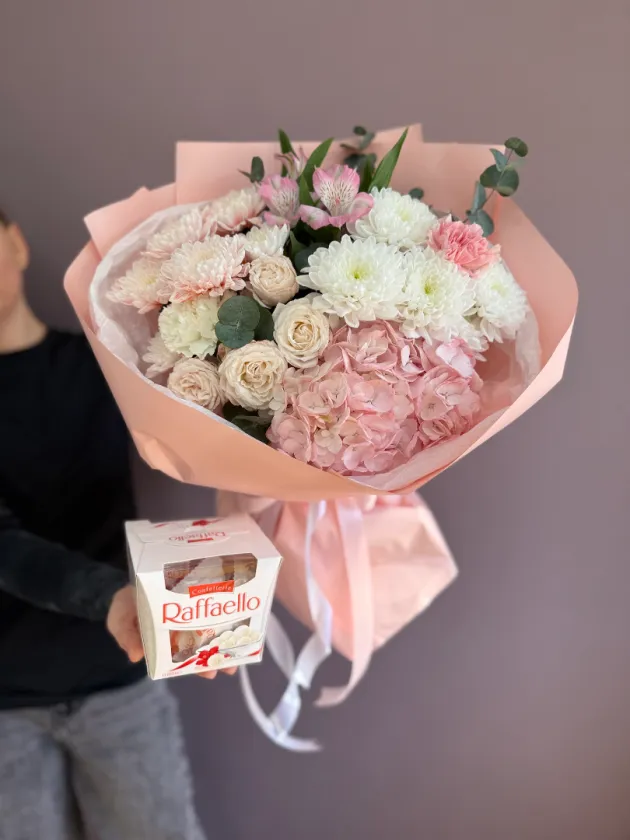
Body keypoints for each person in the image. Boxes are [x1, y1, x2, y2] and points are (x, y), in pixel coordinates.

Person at [0, 208, 229, 839]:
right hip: (7, 700)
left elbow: (212, 438)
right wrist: (112, 598)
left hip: (120, 679)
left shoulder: (111, 365)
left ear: (15, 242)